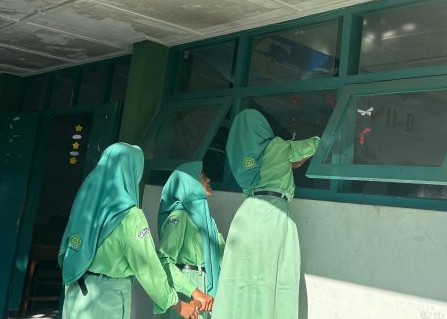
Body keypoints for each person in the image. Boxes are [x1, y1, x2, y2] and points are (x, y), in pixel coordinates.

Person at [58, 143, 198, 319]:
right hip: (106, 300)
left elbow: (65, 250)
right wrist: (176, 303)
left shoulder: (85, 204)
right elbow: (147, 266)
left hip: (74, 296)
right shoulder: (129, 216)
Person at [213, 109, 320, 319]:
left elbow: (288, 162)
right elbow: (309, 148)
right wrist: (322, 138)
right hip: (274, 212)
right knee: (273, 273)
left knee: (243, 275)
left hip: (247, 214)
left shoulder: (241, 156)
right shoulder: (277, 146)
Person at [156, 162, 224, 318]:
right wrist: (195, 291)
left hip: (206, 293)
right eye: (202, 176)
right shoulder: (179, 216)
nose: (208, 179)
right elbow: (164, 262)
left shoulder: (206, 220)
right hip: (186, 292)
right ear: (189, 183)